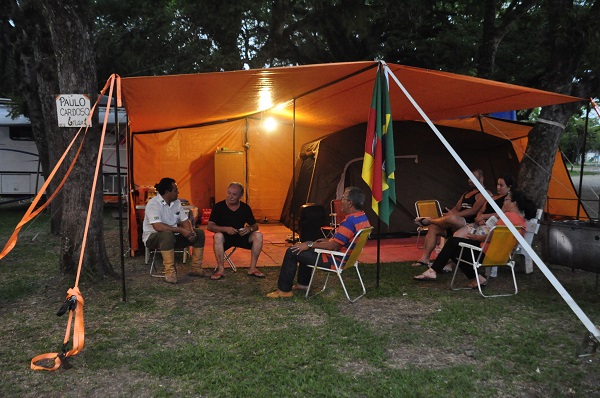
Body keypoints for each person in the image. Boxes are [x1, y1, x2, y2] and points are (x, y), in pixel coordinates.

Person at [413, 190, 536, 287]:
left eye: (507, 200)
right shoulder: (522, 222)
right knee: (456, 247)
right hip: (502, 256)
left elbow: (492, 237)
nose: (504, 202)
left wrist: (476, 237)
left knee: (453, 242)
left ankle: (433, 270)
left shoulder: (508, 217)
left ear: (514, 203)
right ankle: (477, 279)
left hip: (485, 254)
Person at [266, 186, 371, 298]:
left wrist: (309, 244)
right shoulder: (362, 218)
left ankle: (284, 291)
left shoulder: (349, 222)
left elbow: (333, 247)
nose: (341, 201)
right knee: (305, 246)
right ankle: (303, 284)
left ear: (350, 203)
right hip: (348, 259)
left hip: (334, 260)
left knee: (292, 251)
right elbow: (344, 241)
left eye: (343, 198)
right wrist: (321, 242)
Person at [411, 169, 490, 267]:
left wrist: (454, 215)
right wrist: (450, 214)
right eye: (468, 177)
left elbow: (474, 210)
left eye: (472, 177)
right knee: (433, 227)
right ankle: (425, 258)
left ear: (481, 178)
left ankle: (429, 220)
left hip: (469, 224)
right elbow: (456, 208)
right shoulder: (466, 194)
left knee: (452, 218)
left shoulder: (484, 193)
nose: (469, 180)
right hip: (455, 223)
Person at [143, 177, 206, 284]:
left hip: (172, 235)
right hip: (153, 237)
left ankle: (196, 268)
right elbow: (158, 227)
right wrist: (181, 230)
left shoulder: (176, 202)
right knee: (167, 234)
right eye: (176, 190)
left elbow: (185, 220)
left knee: (199, 233)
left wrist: (190, 232)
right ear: (167, 192)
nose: (178, 192)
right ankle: (169, 272)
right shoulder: (153, 204)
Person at [208, 182, 264, 280]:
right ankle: (221, 270)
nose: (230, 196)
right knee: (218, 236)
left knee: (258, 235)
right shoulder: (218, 207)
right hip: (225, 238)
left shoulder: (245, 208)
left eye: (234, 194)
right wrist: (225, 229)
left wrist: (249, 229)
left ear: (240, 196)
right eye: (229, 193)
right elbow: (210, 226)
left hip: (240, 236)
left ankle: (252, 268)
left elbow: (255, 225)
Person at [453, 174, 516, 238]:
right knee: (457, 235)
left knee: (469, 237)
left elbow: (501, 214)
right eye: (497, 184)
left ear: (509, 187)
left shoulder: (508, 199)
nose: (498, 187)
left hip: (491, 225)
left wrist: (483, 216)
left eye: (501, 185)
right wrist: (480, 218)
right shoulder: (493, 197)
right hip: (479, 222)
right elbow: (482, 210)